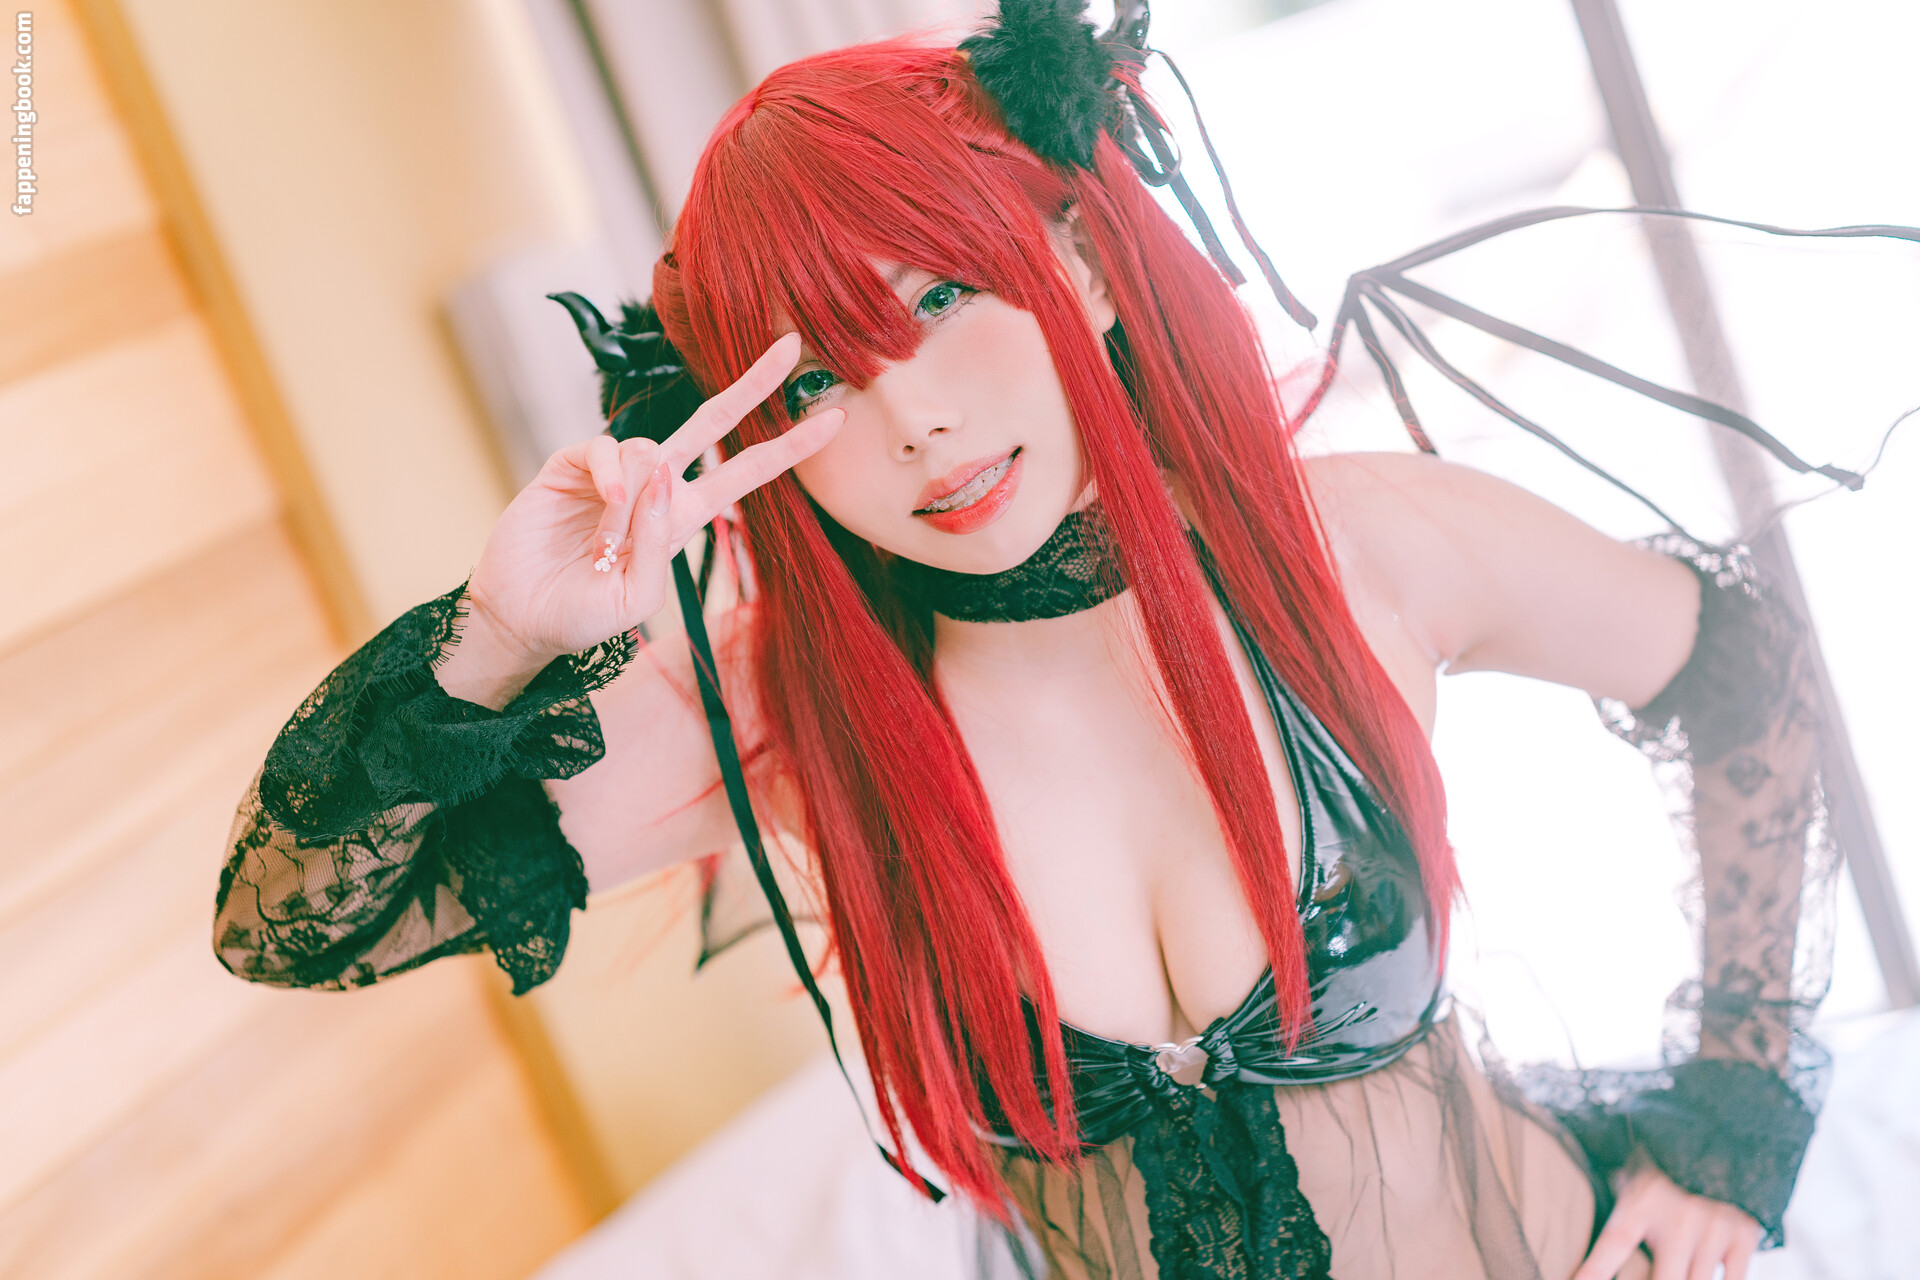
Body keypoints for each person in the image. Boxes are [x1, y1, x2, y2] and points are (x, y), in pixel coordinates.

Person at [212, 4, 1849, 1277]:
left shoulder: (1353, 549)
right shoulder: (789, 715)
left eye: (939, 297)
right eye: (816, 380)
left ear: (1078, 258)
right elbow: (295, 926)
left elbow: (1745, 666)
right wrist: (497, 635)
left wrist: (1731, 1119)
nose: (913, 419)